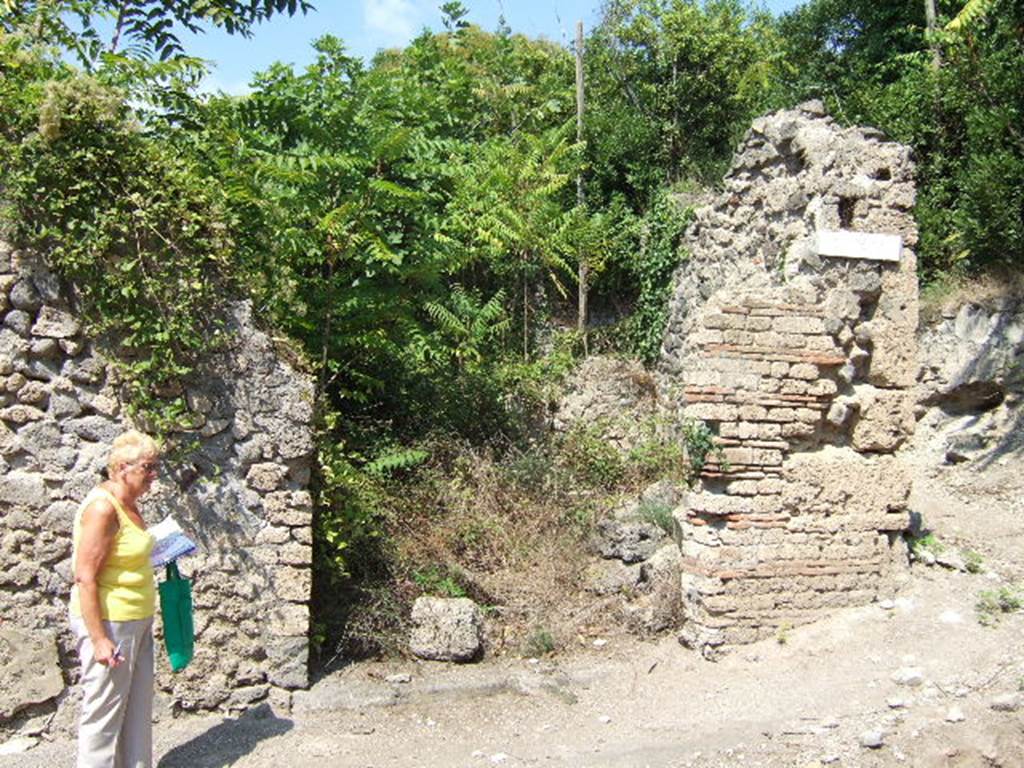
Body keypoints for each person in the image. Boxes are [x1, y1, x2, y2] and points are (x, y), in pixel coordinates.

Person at [69, 430, 160, 768]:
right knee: (104, 717)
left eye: (155, 467)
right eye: (148, 468)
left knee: (137, 711)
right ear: (123, 467)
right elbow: (85, 576)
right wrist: (99, 640)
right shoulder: (102, 508)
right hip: (110, 622)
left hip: (137, 619)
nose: (154, 476)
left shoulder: (129, 505)